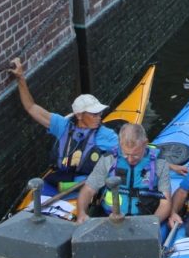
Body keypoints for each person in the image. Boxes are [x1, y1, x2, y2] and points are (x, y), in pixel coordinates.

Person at [9, 57, 117, 203]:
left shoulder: (107, 135)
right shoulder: (63, 125)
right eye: (94, 114)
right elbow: (31, 108)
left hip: (84, 185)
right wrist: (20, 78)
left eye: (99, 113)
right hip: (59, 180)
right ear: (79, 115)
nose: (99, 117)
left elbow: (124, 155)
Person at [75, 123, 171, 224]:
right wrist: (81, 213)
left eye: (135, 155)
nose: (130, 159)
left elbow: (165, 202)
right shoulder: (108, 159)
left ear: (145, 143)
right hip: (110, 217)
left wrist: (152, 223)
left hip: (145, 219)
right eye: (126, 154)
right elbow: (89, 189)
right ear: (120, 143)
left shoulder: (160, 163)